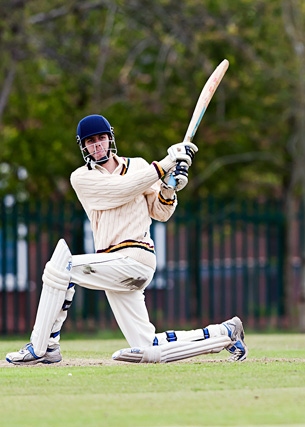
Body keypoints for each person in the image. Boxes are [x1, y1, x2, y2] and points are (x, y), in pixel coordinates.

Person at [6, 114, 247, 365]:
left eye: (101, 138)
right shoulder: (82, 178)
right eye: (91, 141)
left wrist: (169, 187)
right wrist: (164, 167)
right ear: (83, 146)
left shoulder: (140, 167)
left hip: (136, 258)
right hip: (111, 265)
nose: (97, 145)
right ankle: (224, 333)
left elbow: (161, 212)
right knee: (147, 344)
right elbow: (120, 190)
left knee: (60, 268)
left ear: (110, 139)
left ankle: (43, 346)